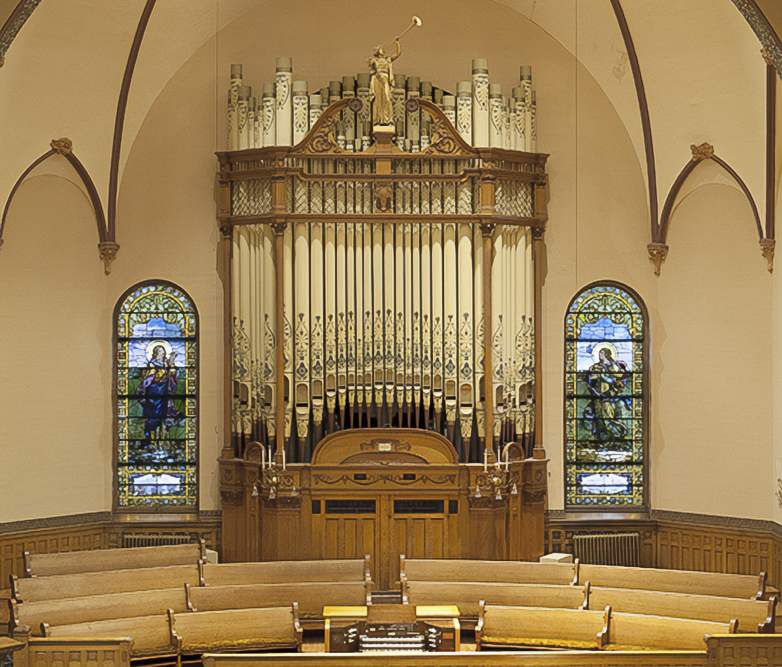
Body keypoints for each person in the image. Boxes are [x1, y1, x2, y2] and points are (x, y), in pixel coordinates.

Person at [583, 346, 631, 448]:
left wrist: (604, 377)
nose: (600, 355)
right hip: (598, 397)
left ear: (607, 354)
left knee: (609, 418)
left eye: (602, 353)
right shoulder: (595, 367)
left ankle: (617, 437)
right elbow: (589, 381)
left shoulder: (615, 366)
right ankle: (602, 442)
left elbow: (618, 380)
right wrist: (594, 387)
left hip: (609, 397)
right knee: (599, 419)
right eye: (599, 353)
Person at [137, 344, 179, 443]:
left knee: (163, 416)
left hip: (164, 393)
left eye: (163, 351)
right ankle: (151, 441)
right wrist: (162, 371)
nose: (162, 353)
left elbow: (173, 376)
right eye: (160, 351)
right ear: (156, 353)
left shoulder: (166, 364)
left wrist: (171, 363)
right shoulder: (151, 365)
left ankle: (162, 442)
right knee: (152, 417)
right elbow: (148, 379)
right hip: (153, 395)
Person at [368, 40, 401, 126]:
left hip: (385, 78)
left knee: (387, 98)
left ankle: (387, 119)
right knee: (377, 100)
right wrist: (372, 62)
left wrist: (397, 43)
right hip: (377, 79)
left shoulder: (388, 60)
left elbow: (397, 54)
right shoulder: (374, 60)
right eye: (381, 49)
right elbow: (370, 66)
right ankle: (378, 119)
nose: (383, 50)